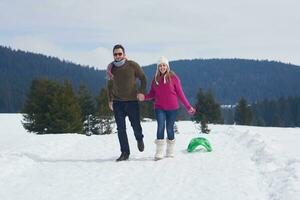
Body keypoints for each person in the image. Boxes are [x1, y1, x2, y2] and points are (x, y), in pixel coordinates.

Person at [138, 56, 195, 160]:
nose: (162, 67)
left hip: (172, 108)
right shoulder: (155, 79)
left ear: (167, 66)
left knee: (169, 128)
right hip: (159, 107)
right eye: (160, 65)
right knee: (160, 127)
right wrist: (144, 97)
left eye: (164, 65)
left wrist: (188, 106)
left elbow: (181, 94)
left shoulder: (173, 78)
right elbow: (152, 94)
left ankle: (170, 150)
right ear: (158, 67)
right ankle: (159, 152)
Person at [107, 44, 147, 162]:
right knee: (121, 129)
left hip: (132, 102)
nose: (118, 56)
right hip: (117, 102)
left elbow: (143, 78)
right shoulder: (111, 68)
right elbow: (109, 85)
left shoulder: (132, 65)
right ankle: (125, 152)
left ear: (124, 54)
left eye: (120, 54)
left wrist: (141, 92)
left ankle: (139, 139)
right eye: (115, 54)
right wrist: (110, 100)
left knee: (135, 126)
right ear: (113, 55)